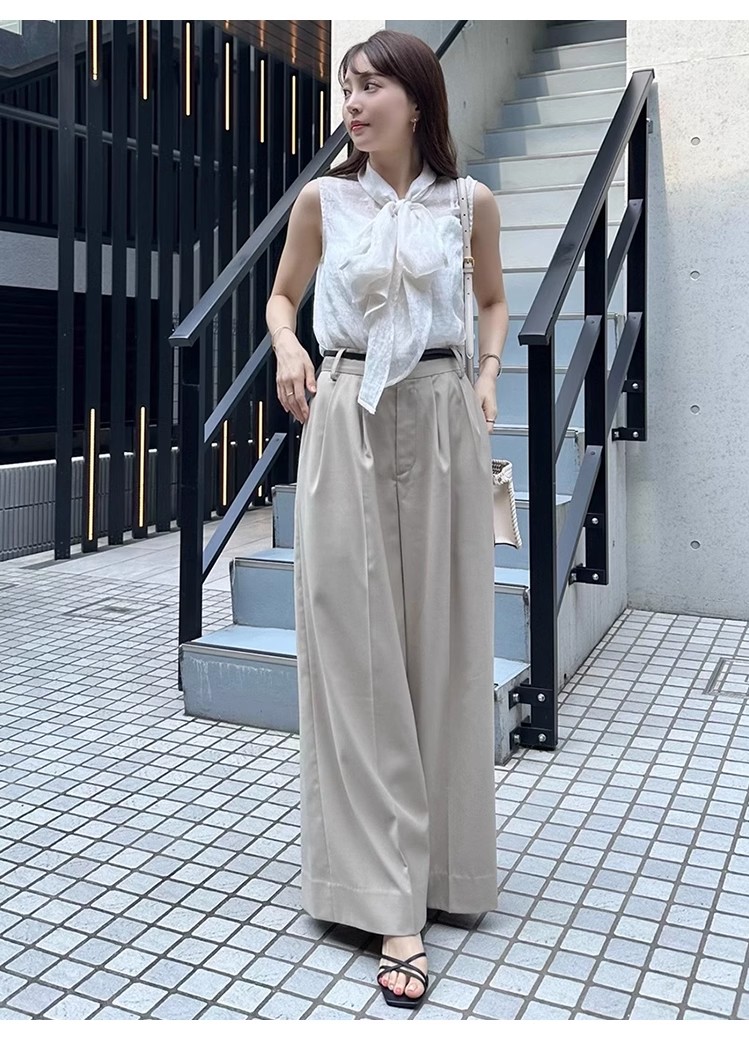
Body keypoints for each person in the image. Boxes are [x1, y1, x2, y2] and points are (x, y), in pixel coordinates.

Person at [265, 28, 508, 1008]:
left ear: (418, 97)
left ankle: (445, 866)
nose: (353, 104)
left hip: (443, 415)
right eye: (347, 88)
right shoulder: (323, 201)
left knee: (443, 647)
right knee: (354, 648)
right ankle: (385, 898)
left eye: (371, 86)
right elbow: (283, 298)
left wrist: (489, 376)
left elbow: (492, 302)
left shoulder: (470, 202)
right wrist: (288, 348)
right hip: (347, 410)